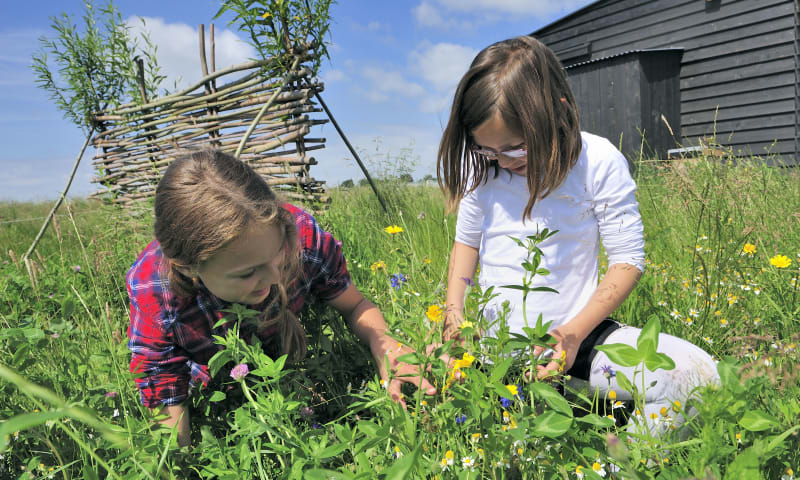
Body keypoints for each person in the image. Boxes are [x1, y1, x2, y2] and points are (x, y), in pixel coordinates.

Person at [437, 36, 718, 434]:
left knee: (698, 378)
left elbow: (627, 260)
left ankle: (619, 464)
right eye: (487, 150)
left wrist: (571, 334)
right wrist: (454, 321)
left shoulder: (598, 161)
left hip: (575, 341)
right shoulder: (482, 169)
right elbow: (466, 245)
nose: (500, 161)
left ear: (558, 113)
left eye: (516, 149)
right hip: (490, 350)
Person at [127, 149, 435, 447]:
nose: (275, 277)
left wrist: (385, 344)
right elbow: (164, 393)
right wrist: (178, 465)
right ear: (190, 267)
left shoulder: (302, 239)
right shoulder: (156, 291)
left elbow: (355, 304)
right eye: (247, 273)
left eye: (277, 255)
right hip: (219, 394)